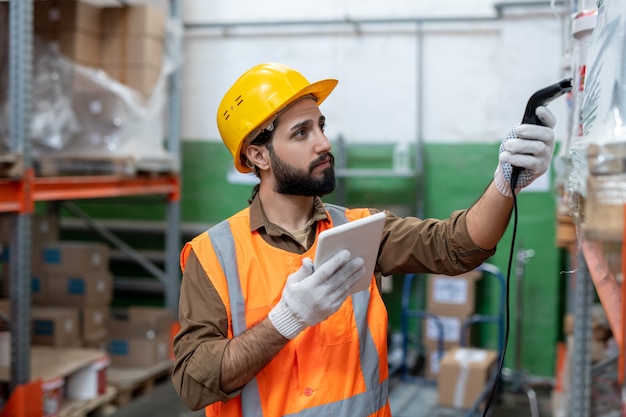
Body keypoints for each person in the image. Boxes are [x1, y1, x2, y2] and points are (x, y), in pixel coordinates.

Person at [171, 62, 556, 416]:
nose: (324, 143)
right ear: (259, 155)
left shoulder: (361, 230)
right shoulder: (213, 254)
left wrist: (506, 181)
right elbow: (192, 382)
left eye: (321, 125)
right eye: (302, 133)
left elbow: (455, 246)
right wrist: (285, 321)